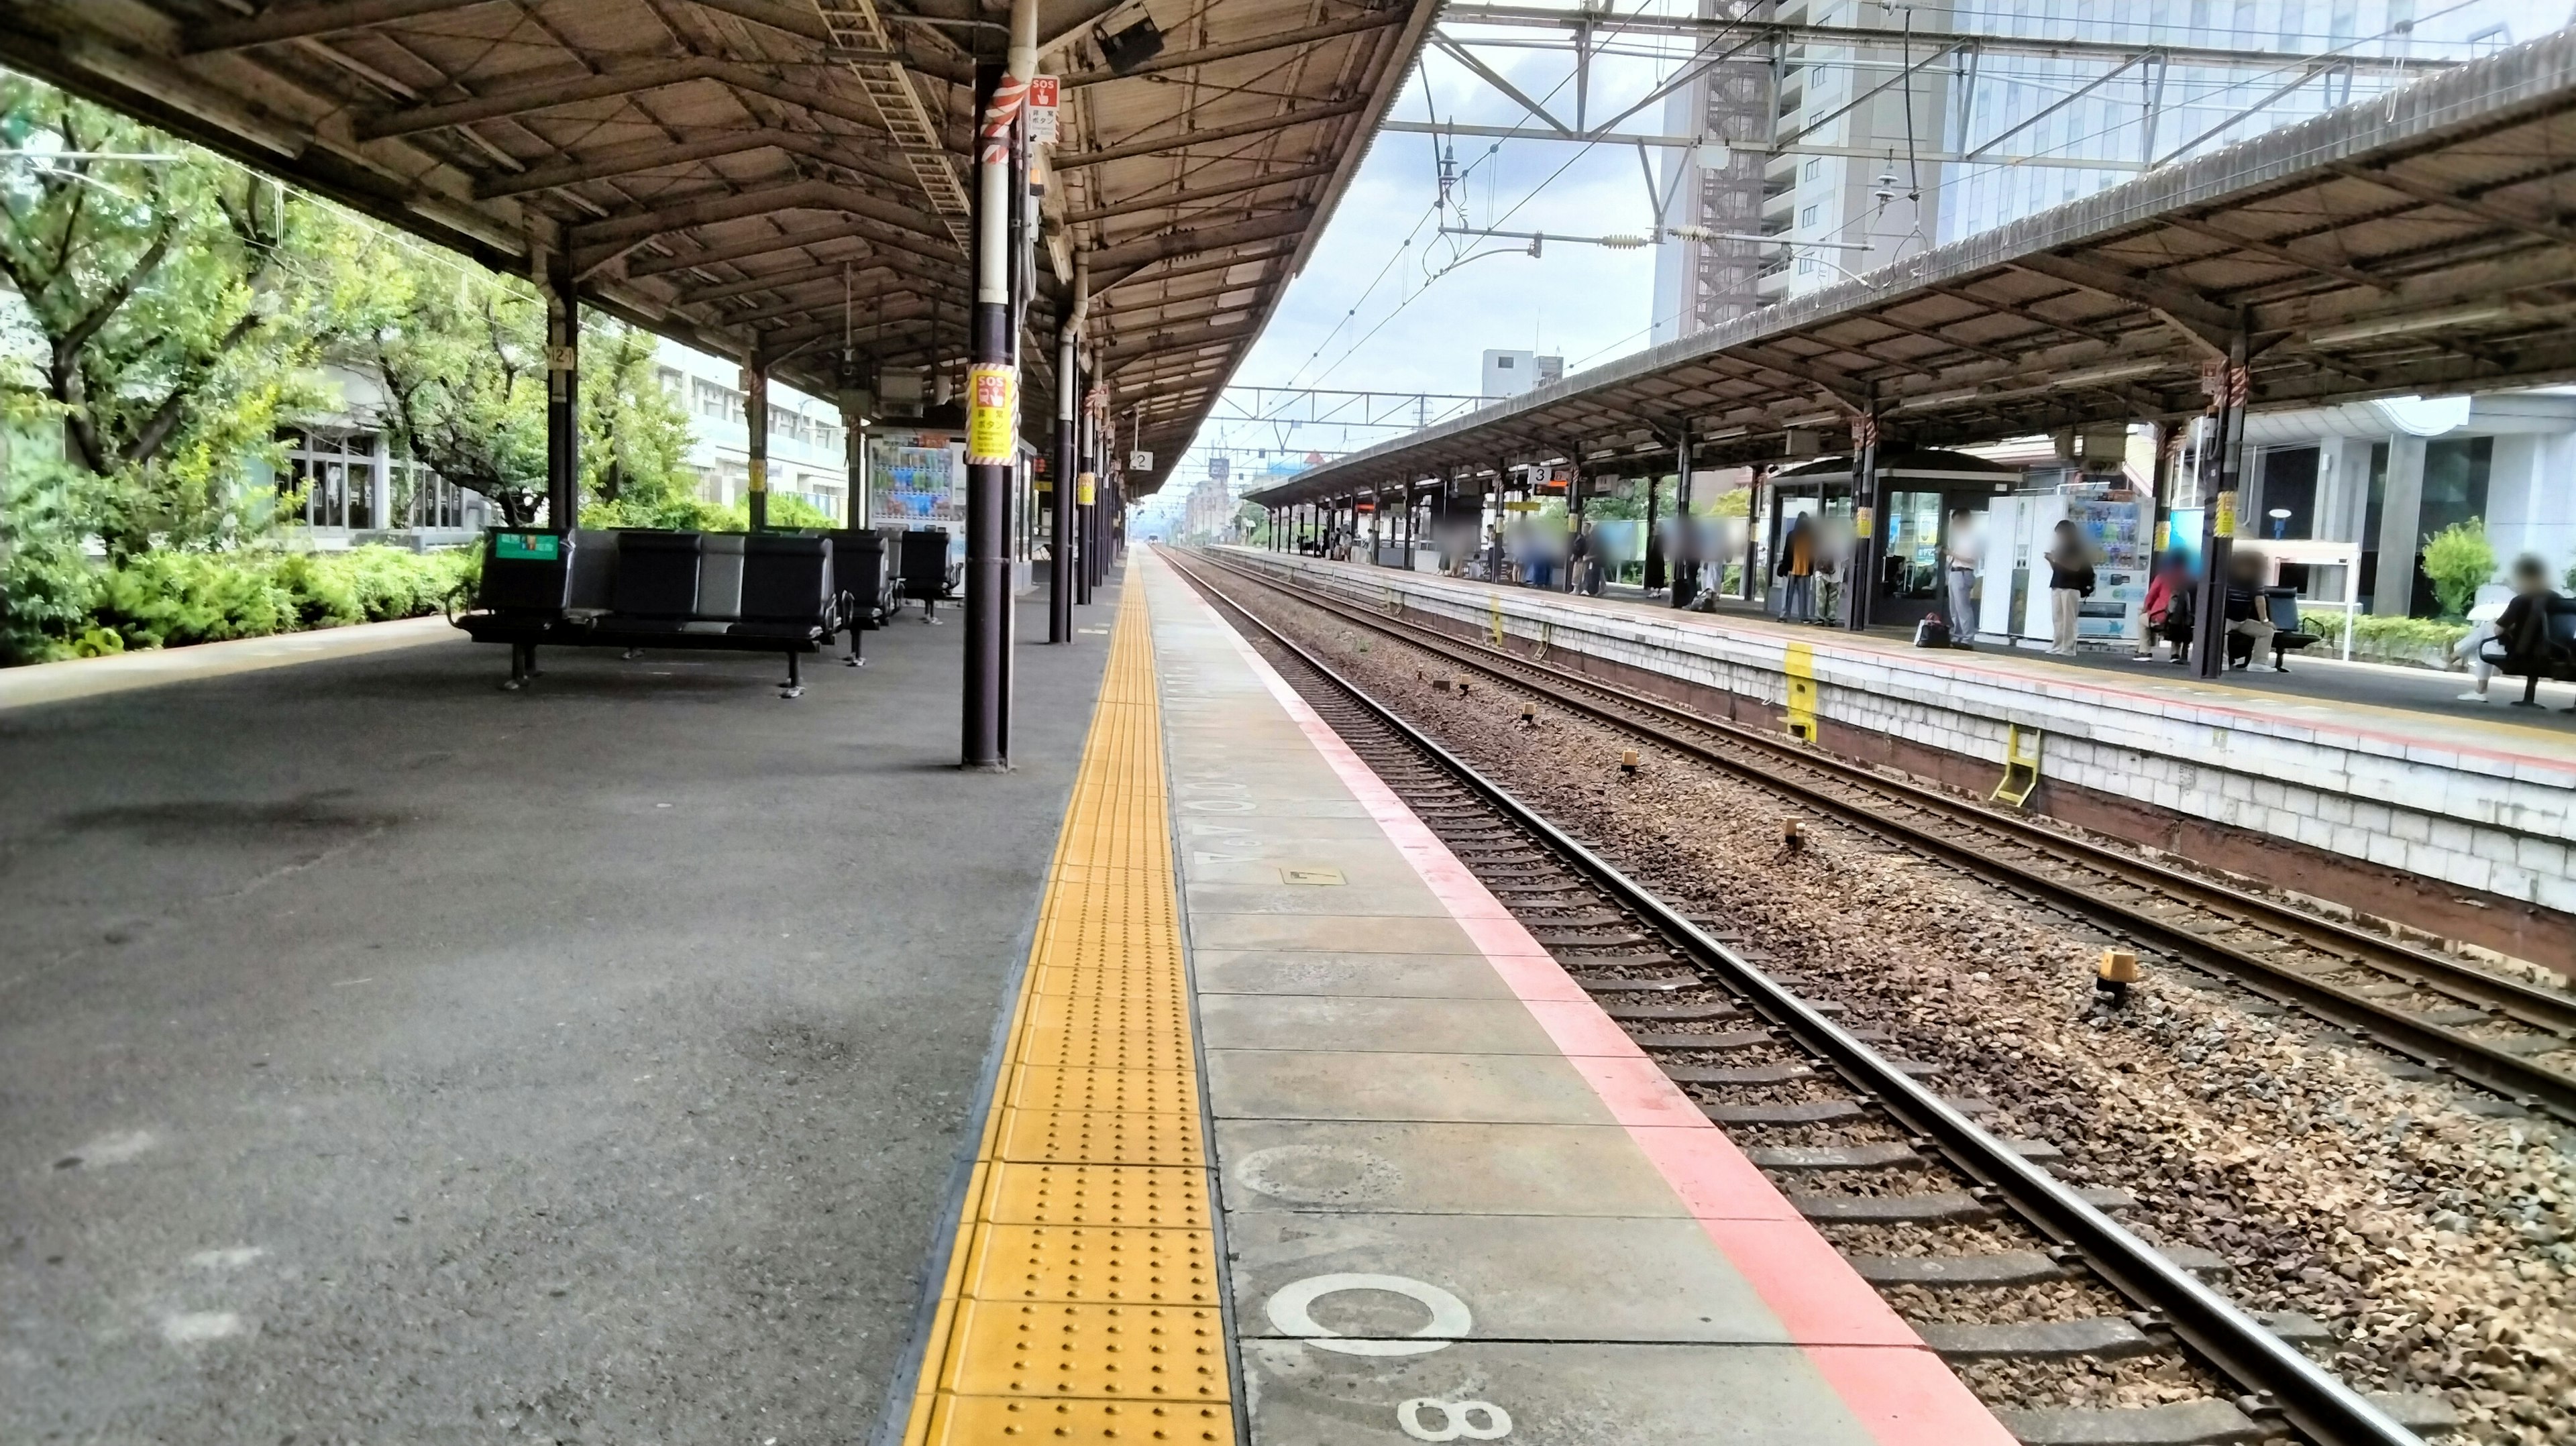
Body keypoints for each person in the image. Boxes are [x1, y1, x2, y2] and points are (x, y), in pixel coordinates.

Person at [2489, 553, 2571, 708]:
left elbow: (2499, 631)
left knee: (2487, 629)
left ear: (2526, 579)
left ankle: (2479, 689)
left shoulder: (2520, 600)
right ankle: (2457, 655)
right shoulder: (2558, 599)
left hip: (2522, 654)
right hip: (2556, 653)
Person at [2045, 520, 2094, 655]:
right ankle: (2057, 645)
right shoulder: (2061, 548)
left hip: (2071, 586)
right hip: (2057, 584)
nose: (2059, 536)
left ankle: (2068, 648)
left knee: (2069, 619)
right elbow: (2057, 568)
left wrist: (2057, 559)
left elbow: (2075, 567)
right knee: (2058, 618)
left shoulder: (2077, 547)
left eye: (2061, 533)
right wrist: (2051, 561)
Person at [2222, 548, 2275, 668]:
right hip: (2225, 619)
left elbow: (2260, 600)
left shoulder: (2256, 581)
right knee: (2219, 630)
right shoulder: (2226, 579)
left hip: (2243, 620)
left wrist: (2265, 621)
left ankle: (2258, 663)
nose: (2247, 571)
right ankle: (2222, 661)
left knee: (2267, 632)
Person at [2139, 552, 2189, 662]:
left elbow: (2151, 596)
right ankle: (2175, 654)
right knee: (2178, 617)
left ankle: (2145, 651)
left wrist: (2145, 609)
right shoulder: (2189, 579)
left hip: (2162, 617)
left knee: (2141, 620)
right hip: (2184, 620)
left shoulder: (2163, 577)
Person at [1775, 514, 1826, 622]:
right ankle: (1788, 615)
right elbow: (1787, 553)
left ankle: (1799, 616)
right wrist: (1785, 568)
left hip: (1803, 570)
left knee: (1798, 595)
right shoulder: (1794, 536)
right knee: (1795, 595)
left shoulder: (1810, 537)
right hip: (1793, 569)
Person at [1943, 512, 1980, 646]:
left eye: (1957, 522)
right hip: (1955, 572)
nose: (1955, 525)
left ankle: (1967, 638)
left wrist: (1951, 553)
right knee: (1954, 607)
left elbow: (1970, 558)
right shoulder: (1960, 538)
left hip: (1964, 573)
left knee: (1963, 607)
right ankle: (1957, 635)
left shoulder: (1971, 537)